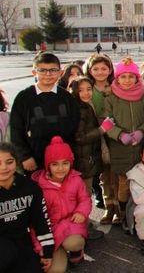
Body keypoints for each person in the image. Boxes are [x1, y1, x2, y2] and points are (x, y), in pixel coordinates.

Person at [10, 52, 80, 172]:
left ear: (60, 72)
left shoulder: (67, 97)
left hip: (62, 161)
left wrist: (71, 155)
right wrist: (25, 156)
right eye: (42, 70)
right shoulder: (24, 98)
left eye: (53, 70)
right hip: (34, 160)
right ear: (34, 72)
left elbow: (75, 127)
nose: (48, 74)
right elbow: (16, 130)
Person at [103, 57, 144, 226]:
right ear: (117, 78)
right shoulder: (111, 97)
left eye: (131, 76)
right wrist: (119, 134)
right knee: (124, 183)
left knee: (141, 182)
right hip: (120, 148)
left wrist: (141, 131)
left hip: (140, 146)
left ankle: (142, 213)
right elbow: (106, 123)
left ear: (137, 78)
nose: (127, 80)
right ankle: (123, 213)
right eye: (123, 77)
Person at [32, 136, 91, 272]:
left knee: (74, 243)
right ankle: (60, 252)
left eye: (65, 163)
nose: (60, 168)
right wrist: (39, 246)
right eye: (55, 164)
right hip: (49, 231)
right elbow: (35, 220)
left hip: (72, 224)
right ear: (48, 166)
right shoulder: (39, 187)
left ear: (71, 163)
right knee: (56, 270)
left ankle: (76, 252)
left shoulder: (75, 180)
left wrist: (81, 212)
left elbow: (85, 199)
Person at [0, 142, 55, 273]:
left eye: (9, 162)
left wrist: (47, 252)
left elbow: (41, 221)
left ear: (16, 162)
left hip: (22, 240)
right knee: (6, 254)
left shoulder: (30, 187)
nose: (4, 167)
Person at [69, 77, 110, 240]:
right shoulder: (80, 110)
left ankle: (84, 224)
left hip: (86, 157)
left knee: (84, 194)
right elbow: (79, 137)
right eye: (81, 90)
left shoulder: (85, 106)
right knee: (84, 196)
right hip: (83, 158)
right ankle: (83, 228)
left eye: (88, 89)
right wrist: (101, 129)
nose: (86, 93)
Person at [85, 54, 114, 211]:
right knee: (103, 174)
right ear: (90, 71)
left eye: (104, 68)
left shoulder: (116, 86)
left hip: (114, 134)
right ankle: (108, 206)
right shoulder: (87, 88)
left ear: (110, 70)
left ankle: (118, 208)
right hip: (96, 134)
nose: (100, 72)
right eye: (96, 69)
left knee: (115, 172)